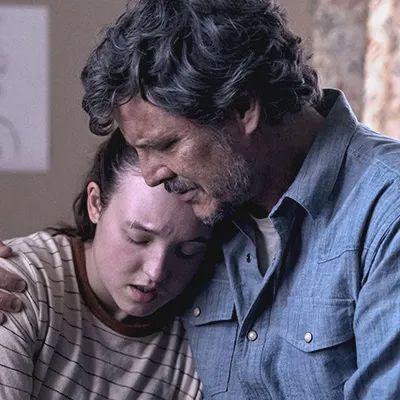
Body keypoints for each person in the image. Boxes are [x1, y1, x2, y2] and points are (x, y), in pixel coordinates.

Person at [1, 0, 400, 398]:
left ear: (243, 107)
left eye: (167, 145)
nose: (152, 175)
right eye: (139, 150)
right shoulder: (211, 206)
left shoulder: (385, 213)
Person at [0, 129, 211, 399]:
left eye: (187, 252)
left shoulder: (201, 336)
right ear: (95, 204)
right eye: (138, 238)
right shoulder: (18, 285)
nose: (156, 272)